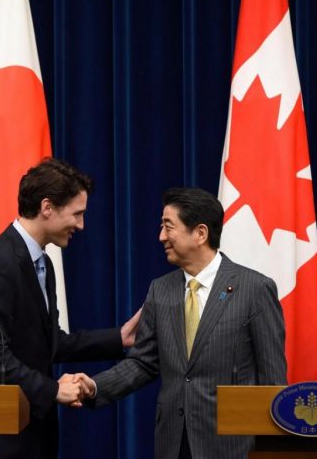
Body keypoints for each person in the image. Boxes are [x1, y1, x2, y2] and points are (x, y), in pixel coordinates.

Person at [72, 187, 286, 459]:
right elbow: (143, 363)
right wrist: (94, 386)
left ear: (200, 233)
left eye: (168, 226)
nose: (161, 236)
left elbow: (272, 379)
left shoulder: (254, 289)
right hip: (173, 443)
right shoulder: (160, 290)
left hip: (233, 445)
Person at [0, 158, 141, 459]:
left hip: (29, 428)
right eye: (77, 214)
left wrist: (119, 338)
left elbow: (50, 343)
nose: (81, 225)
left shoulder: (43, 264)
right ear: (47, 207)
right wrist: (52, 390)